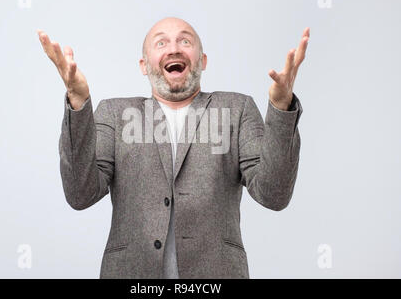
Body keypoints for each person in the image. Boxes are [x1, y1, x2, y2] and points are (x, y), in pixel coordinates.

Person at [37, 17, 309, 279]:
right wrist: (77, 102)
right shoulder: (114, 113)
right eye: (161, 43)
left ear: (202, 61)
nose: (174, 48)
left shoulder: (237, 109)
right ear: (144, 65)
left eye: (185, 41)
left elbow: (274, 194)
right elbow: (80, 194)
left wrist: (281, 108)